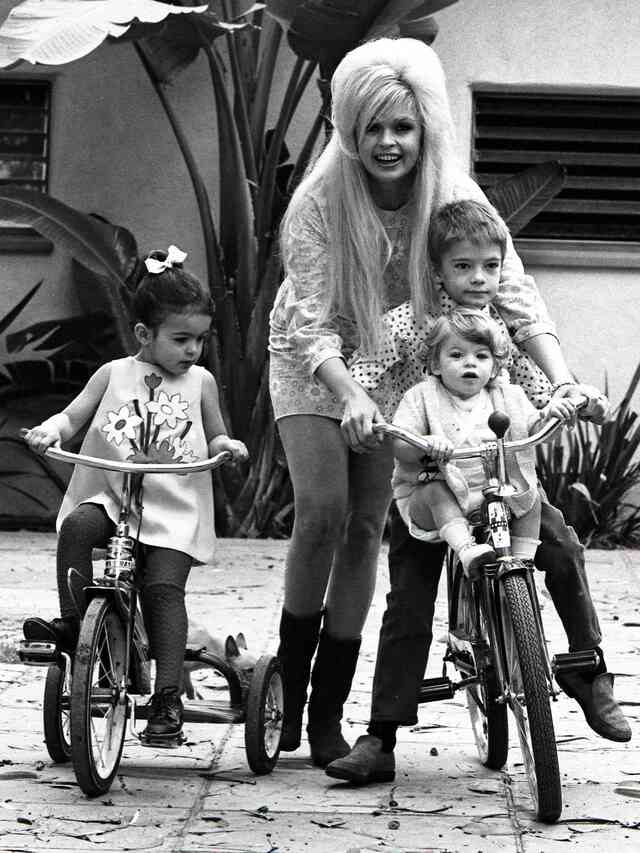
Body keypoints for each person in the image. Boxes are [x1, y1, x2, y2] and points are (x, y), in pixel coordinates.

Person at [268, 36, 626, 773]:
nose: (389, 142)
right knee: (325, 511)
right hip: (317, 362)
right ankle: (293, 692)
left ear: (426, 125)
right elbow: (309, 322)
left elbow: (514, 296)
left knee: (371, 524)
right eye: (373, 127)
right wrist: (350, 395)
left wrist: (558, 377)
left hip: (408, 360)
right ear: (349, 129)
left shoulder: (452, 188)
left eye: (403, 126)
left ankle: (333, 715)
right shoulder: (319, 201)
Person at [326, 201, 631, 784]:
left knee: (563, 547)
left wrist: (576, 401)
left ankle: (586, 669)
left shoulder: (501, 329)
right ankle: (382, 734)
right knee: (409, 601)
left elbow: (544, 392)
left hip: (502, 485)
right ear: (437, 269)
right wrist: (360, 409)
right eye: (463, 267)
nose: (478, 280)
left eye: (490, 267)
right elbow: (365, 375)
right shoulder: (409, 321)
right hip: (432, 481)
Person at [22, 246, 248, 744]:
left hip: (173, 508)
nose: (193, 350)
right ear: (145, 335)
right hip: (113, 495)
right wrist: (49, 429)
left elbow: (213, 434)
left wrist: (225, 445)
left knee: (163, 588)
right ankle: (73, 626)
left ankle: (166, 696)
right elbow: (73, 416)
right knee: (79, 526)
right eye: (181, 339)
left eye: (200, 340)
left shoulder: (201, 382)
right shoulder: (113, 374)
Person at [388, 309, 577, 579]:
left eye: (481, 356)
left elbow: (532, 428)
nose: (470, 363)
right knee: (434, 491)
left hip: (496, 489)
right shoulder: (421, 397)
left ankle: (522, 568)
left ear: (495, 367)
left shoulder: (508, 396)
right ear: (436, 364)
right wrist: (425, 444)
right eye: (456, 355)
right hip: (440, 497)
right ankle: (467, 551)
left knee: (530, 496)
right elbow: (400, 445)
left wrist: (550, 416)